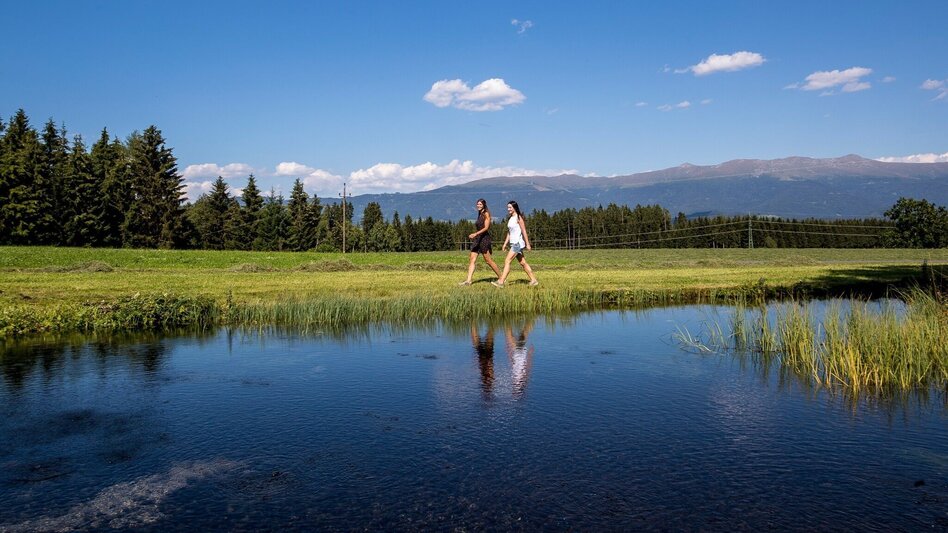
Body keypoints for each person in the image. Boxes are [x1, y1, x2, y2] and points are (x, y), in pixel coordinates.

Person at [491, 200, 538, 287]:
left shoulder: (518, 217)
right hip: (513, 244)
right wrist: (505, 244)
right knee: (523, 263)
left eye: (510, 207)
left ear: (514, 208)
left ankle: (501, 282)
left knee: (507, 261)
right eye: (508, 207)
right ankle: (534, 280)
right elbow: (509, 232)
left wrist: (527, 244)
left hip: (517, 243)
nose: (508, 209)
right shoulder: (511, 218)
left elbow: (524, 231)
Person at [459, 198, 502, 286]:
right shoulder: (479, 213)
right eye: (477, 204)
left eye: (480, 204)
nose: (478, 205)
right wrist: (476, 236)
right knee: (472, 259)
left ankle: (501, 278)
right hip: (477, 239)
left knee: (488, 261)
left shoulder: (486, 213)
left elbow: (486, 228)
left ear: (484, 205)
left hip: (484, 239)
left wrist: (475, 234)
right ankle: (468, 281)